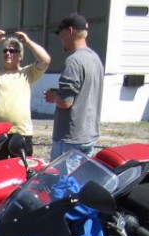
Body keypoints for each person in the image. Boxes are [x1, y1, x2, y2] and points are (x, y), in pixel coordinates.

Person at [0, 30, 50, 156]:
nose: (7, 53)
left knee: (21, 167)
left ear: (20, 56)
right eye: (5, 51)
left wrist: (28, 42)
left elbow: (45, 60)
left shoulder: (27, 73)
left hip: (21, 132)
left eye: (12, 51)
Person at [44, 13, 104, 160]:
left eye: (61, 34)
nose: (60, 39)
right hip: (89, 135)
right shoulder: (95, 59)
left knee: (62, 176)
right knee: (81, 175)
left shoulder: (73, 61)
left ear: (70, 31)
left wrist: (54, 96)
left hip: (70, 139)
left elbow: (66, 102)